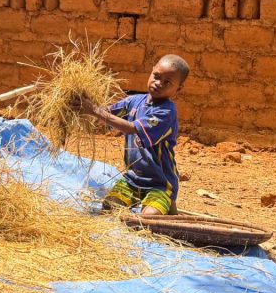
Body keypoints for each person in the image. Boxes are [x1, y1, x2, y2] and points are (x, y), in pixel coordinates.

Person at [76, 54, 190, 216]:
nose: (159, 83)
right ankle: (156, 206)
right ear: (151, 71)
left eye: (167, 82)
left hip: (159, 184)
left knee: (148, 218)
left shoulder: (166, 112)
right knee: (109, 207)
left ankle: (166, 204)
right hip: (132, 180)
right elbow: (106, 113)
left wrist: (93, 109)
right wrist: (82, 105)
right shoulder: (134, 101)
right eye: (157, 76)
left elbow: (130, 128)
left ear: (179, 88)